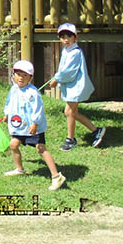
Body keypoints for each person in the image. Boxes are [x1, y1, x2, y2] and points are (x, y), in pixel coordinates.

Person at [0, 59, 66, 191]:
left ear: (30, 77)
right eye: (18, 75)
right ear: (13, 75)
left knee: (41, 149)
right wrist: (7, 114)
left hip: (33, 128)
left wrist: (35, 123)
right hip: (18, 126)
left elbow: (37, 109)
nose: (21, 78)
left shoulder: (33, 92)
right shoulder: (13, 90)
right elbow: (9, 103)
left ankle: (56, 176)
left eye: (25, 76)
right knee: (13, 144)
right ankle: (19, 169)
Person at [49, 22, 105, 150]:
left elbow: (69, 72)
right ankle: (96, 130)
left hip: (76, 86)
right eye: (63, 37)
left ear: (76, 37)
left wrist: (56, 79)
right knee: (73, 113)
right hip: (71, 86)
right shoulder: (67, 50)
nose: (66, 39)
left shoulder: (75, 52)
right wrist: (57, 76)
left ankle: (71, 139)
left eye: (69, 36)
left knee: (69, 112)